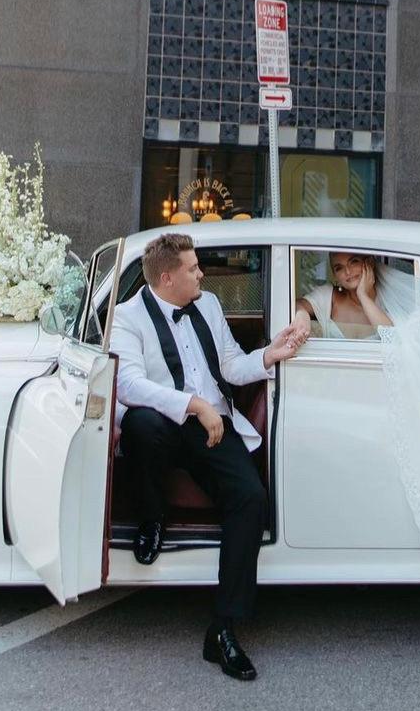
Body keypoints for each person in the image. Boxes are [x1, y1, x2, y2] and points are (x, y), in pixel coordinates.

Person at [111, 232, 307, 682]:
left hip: (215, 425)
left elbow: (231, 365)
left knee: (250, 498)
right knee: (141, 425)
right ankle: (151, 518)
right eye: (193, 268)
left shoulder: (210, 305)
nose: (202, 274)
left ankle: (223, 628)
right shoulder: (126, 317)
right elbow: (128, 385)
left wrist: (269, 355)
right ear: (167, 277)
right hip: (166, 422)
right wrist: (192, 405)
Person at [293, 251, 394, 339]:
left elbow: (392, 338)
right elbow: (297, 303)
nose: (348, 272)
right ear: (335, 276)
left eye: (354, 262)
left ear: (369, 263)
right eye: (339, 268)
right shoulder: (329, 296)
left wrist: (363, 295)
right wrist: (302, 313)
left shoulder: (388, 299)